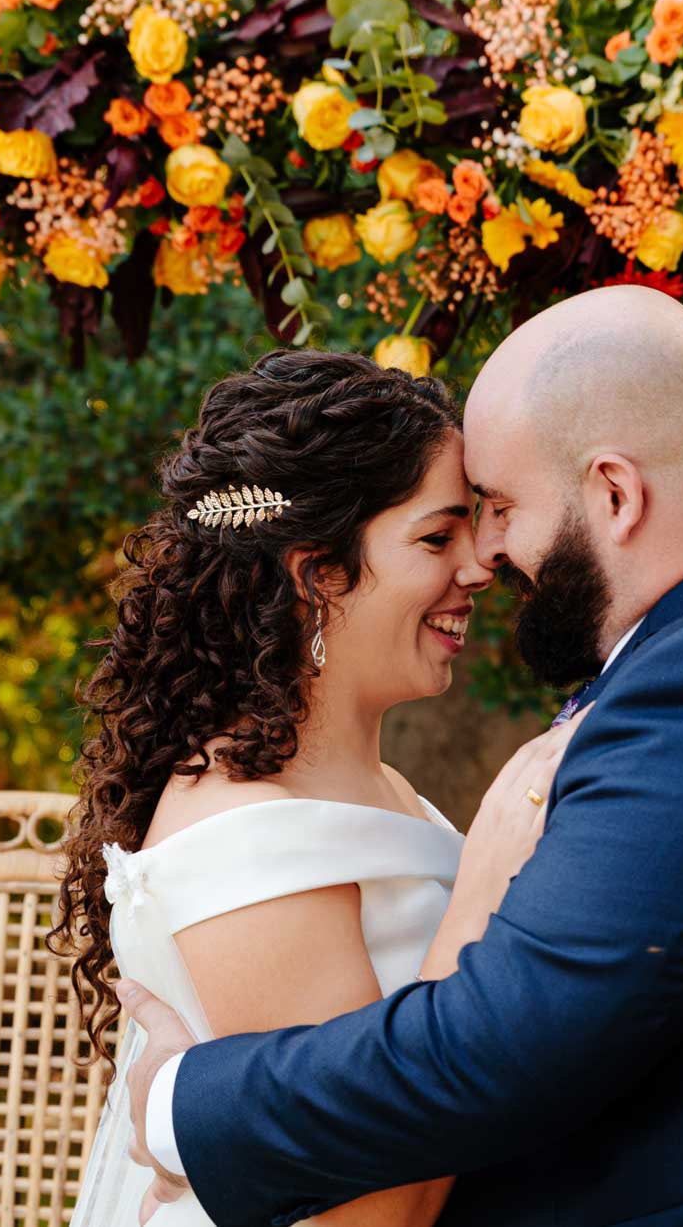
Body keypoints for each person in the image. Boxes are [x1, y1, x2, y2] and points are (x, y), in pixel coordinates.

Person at [117, 286, 683, 1227]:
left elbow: (504, 1042)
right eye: (450, 526)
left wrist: (179, 1110)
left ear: (615, 492)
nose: (487, 557)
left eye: (497, 508)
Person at [50, 349, 584, 1227]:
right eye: (435, 536)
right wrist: (484, 896)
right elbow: (367, 1216)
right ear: (316, 574)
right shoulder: (246, 836)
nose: (480, 567)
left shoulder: (381, 789)